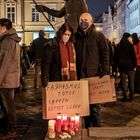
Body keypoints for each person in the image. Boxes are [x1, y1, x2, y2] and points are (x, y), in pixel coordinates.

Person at [75, 12, 109, 128]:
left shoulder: (98, 36)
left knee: (95, 107)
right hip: (81, 76)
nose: (83, 22)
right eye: (81, 20)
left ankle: (97, 131)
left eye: (85, 20)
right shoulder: (77, 36)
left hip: (94, 75)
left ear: (91, 22)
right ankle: (87, 128)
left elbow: (105, 52)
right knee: (84, 107)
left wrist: (105, 69)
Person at [0, 18, 21, 137]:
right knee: (8, 104)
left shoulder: (7, 41)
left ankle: (12, 128)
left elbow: (5, 63)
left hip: (6, 80)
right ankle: (10, 126)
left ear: (3, 28)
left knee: (8, 105)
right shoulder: (12, 39)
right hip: (10, 78)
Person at [41, 23, 77, 88]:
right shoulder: (52, 45)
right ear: (61, 33)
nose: (67, 36)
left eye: (69, 35)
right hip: (55, 79)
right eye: (65, 34)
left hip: (69, 80)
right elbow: (46, 63)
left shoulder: (71, 45)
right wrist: (45, 78)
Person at [114, 33, 137, 101]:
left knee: (123, 82)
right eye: (130, 37)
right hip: (130, 66)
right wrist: (135, 65)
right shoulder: (130, 45)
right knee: (131, 81)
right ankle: (131, 97)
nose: (130, 38)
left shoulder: (118, 46)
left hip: (122, 67)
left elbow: (116, 57)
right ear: (127, 38)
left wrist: (117, 66)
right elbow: (133, 56)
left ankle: (125, 97)